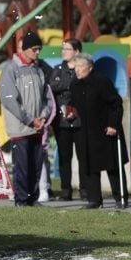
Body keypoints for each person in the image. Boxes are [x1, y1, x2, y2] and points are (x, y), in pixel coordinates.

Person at [0, 31, 53, 206]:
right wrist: (30, 119)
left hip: (37, 127)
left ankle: (33, 199)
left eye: (39, 49)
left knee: (36, 166)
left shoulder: (38, 70)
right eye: (35, 49)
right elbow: (9, 100)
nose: (37, 53)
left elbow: (47, 97)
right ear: (26, 49)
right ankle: (21, 200)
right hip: (20, 128)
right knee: (22, 167)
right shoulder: (10, 70)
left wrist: (43, 116)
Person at [69, 53, 127, 209]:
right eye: (76, 66)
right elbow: (73, 104)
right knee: (88, 166)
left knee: (112, 165)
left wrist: (113, 125)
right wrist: (70, 114)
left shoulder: (101, 81)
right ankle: (94, 200)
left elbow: (116, 104)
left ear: (90, 67)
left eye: (80, 66)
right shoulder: (75, 84)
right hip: (85, 131)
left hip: (104, 129)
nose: (77, 70)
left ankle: (119, 197)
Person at [48, 38, 84, 201]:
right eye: (63, 49)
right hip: (61, 121)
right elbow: (52, 87)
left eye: (67, 49)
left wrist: (65, 85)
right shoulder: (57, 69)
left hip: (81, 119)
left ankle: (85, 189)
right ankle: (65, 190)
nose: (63, 52)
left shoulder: (82, 68)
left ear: (76, 52)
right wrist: (70, 83)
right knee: (64, 157)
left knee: (84, 156)